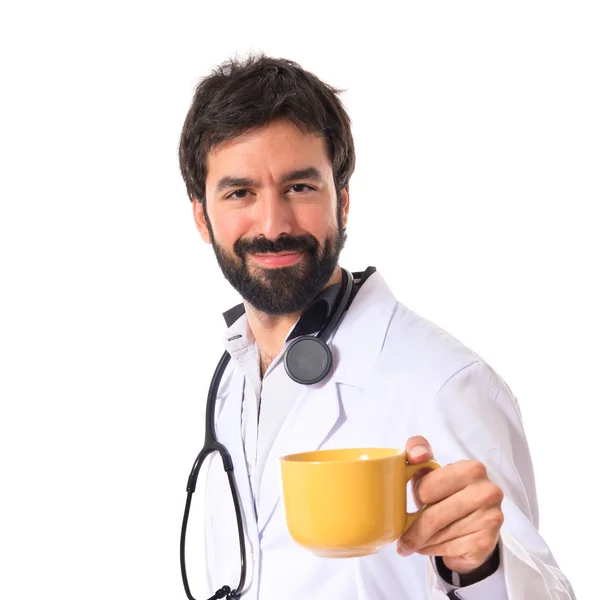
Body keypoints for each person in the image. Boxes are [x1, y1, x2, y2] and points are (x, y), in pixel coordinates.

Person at [178, 54, 575, 600]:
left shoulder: (444, 382)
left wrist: (480, 569)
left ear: (341, 200)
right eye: (240, 192)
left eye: (299, 188)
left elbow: (546, 589)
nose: (272, 225)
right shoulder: (233, 380)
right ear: (202, 215)